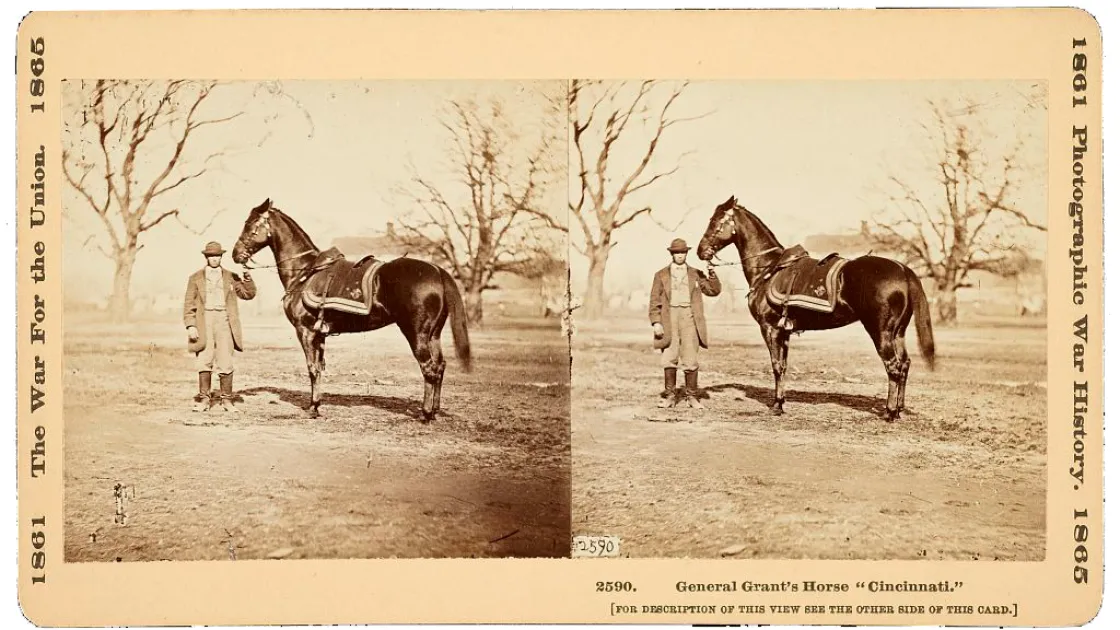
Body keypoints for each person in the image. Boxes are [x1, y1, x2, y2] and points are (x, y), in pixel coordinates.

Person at [183, 241, 257, 412]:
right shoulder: (195, 278)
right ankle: (203, 400)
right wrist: (191, 326)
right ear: (206, 257)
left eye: (217, 256)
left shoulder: (231, 276)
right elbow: (188, 304)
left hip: (224, 320)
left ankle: (227, 401)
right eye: (211, 256)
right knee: (205, 359)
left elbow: (248, 294)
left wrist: (247, 276)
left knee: (225, 360)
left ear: (221, 257)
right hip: (204, 320)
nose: (214, 259)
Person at [648, 238, 722, 409]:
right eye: (676, 252)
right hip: (669, 318)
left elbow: (713, 290)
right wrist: (656, 322)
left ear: (686, 253)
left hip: (690, 318)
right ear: (671, 254)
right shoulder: (661, 275)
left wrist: (711, 273)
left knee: (690, 358)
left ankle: (692, 397)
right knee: (669, 356)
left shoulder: (695, 274)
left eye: (683, 252)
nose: (680, 255)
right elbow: (654, 301)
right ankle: (670, 397)